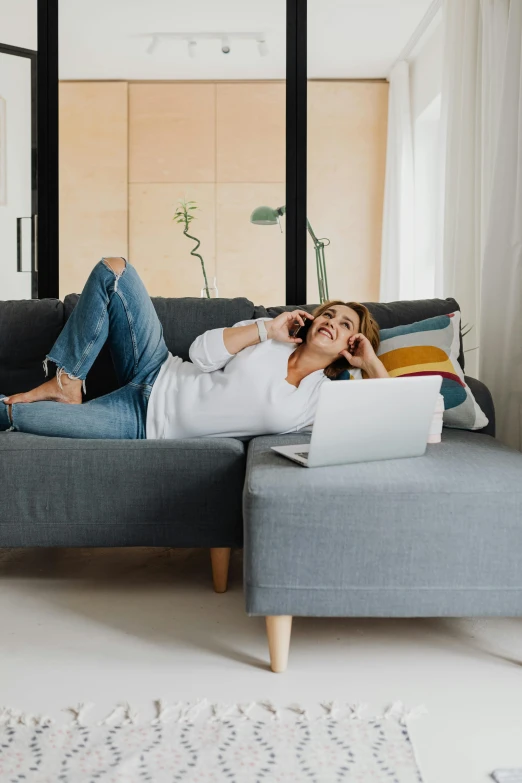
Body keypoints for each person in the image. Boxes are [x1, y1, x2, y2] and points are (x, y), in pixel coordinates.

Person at [0, 257, 388, 440]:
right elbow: (201, 353)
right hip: (156, 367)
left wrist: (370, 362)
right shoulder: (266, 337)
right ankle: (68, 381)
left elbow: (397, 422)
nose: (331, 323)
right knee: (113, 269)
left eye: (345, 326)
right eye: (329, 314)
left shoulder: (320, 399)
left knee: (17, 414)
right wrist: (265, 328)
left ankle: (51, 397)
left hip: (141, 424)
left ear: (349, 346)